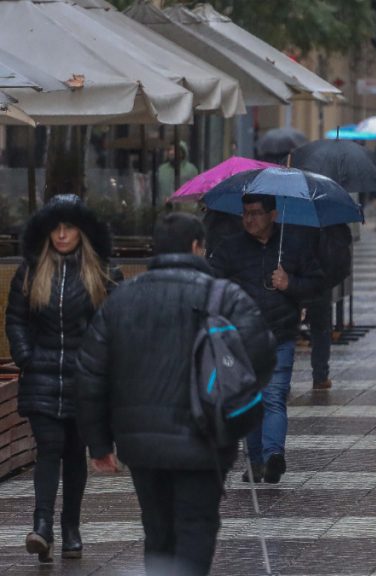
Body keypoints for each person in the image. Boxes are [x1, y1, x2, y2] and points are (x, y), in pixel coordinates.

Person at [77, 213, 275, 576]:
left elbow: (91, 373)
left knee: (157, 529)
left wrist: (99, 443)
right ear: (198, 247)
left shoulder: (121, 300)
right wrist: (234, 406)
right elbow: (260, 354)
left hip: (141, 442)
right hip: (205, 436)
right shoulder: (223, 295)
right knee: (197, 526)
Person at [5, 195, 119, 563]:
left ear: (81, 231)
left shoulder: (97, 271)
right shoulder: (31, 269)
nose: (62, 234)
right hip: (42, 376)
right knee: (49, 448)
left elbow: (111, 321)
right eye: (56, 227)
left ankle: (71, 527)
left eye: (69, 227)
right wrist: (26, 356)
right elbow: (16, 318)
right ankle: (42, 526)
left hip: (82, 380)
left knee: (74, 453)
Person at [209, 194, 325, 484]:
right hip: (241, 337)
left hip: (280, 334)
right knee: (251, 399)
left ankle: (274, 456)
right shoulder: (230, 249)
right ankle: (256, 460)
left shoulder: (293, 245)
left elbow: (316, 284)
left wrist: (290, 284)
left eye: (257, 213)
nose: (250, 219)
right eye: (245, 213)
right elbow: (213, 284)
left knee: (274, 396)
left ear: (273, 215)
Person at [300, 223, 353, 390]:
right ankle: (321, 375)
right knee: (321, 328)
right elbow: (342, 258)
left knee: (286, 328)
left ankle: (283, 381)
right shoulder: (332, 220)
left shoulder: (289, 215)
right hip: (321, 282)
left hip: (295, 278)